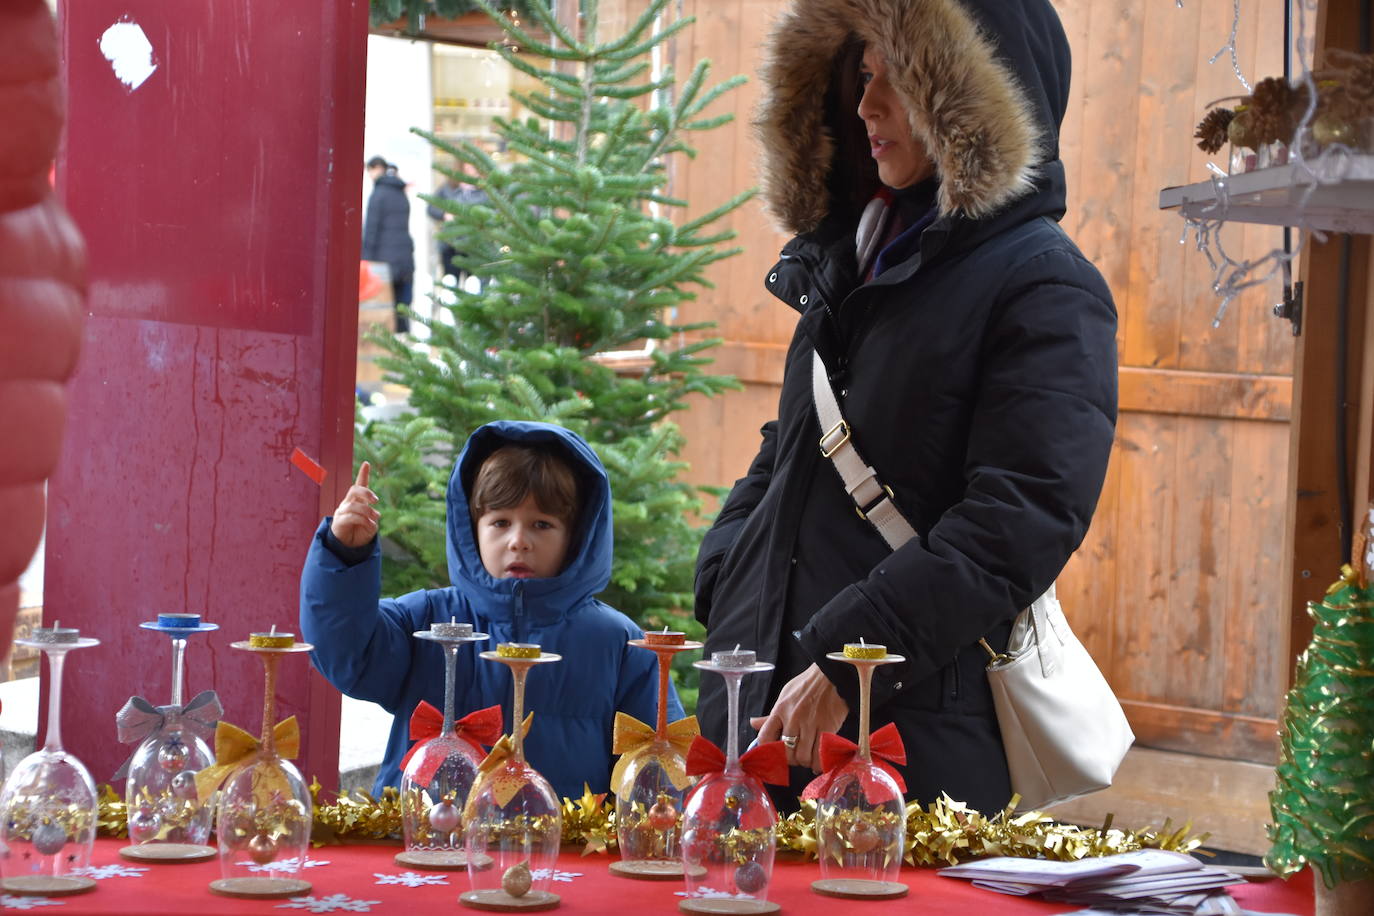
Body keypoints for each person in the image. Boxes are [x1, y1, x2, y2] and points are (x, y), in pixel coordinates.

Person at [693, 0, 1117, 815]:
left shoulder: (1045, 283)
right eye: (861, 75)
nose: (865, 105)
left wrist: (851, 660)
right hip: (759, 712)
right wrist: (726, 574)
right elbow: (791, 447)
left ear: (971, 98)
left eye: (898, 78)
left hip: (907, 743)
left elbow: (1021, 518)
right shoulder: (847, 256)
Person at [301, 420, 683, 800]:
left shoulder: (620, 643)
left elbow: (659, 771)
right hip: (429, 832)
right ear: (473, 529)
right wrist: (345, 555)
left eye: (542, 524)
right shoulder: (425, 619)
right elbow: (346, 654)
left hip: (563, 837)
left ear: (575, 537)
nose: (518, 541)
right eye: (500, 522)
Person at [361, 155, 415, 333]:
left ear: (377, 169)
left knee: (382, 307)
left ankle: (383, 343)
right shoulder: (401, 193)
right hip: (405, 257)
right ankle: (403, 339)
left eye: (370, 171)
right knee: (402, 306)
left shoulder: (378, 195)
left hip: (383, 260)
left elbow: (371, 230)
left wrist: (365, 260)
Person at [427, 159, 488, 289]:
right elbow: (431, 207)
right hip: (450, 244)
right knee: (450, 281)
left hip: (476, 245)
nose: (470, 170)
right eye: (467, 167)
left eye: (473, 167)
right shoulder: (449, 187)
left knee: (474, 283)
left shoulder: (485, 190)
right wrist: (445, 214)